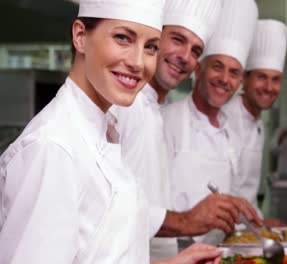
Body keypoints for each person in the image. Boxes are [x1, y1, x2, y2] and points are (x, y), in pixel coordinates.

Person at [0, 0, 221, 263]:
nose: (138, 63)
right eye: (123, 38)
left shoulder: (105, 129)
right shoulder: (53, 148)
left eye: (150, 46)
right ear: (80, 36)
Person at [110, 0, 250, 260]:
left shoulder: (154, 111)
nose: (185, 57)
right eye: (177, 39)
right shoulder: (122, 107)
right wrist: (185, 221)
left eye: (196, 50)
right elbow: (104, 207)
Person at [162, 0, 260, 245]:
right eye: (218, 67)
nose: (224, 79)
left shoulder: (232, 131)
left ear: (240, 83)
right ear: (199, 69)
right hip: (172, 253)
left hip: (218, 251)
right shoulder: (166, 121)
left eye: (234, 72)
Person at [223, 19, 287, 227]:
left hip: (244, 228)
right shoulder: (225, 118)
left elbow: (246, 194)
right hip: (222, 231)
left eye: (276, 79)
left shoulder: (258, 122)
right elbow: (224, 191)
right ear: (245, 78)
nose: (269, 87)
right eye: (262, 77)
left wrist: (260, 222)